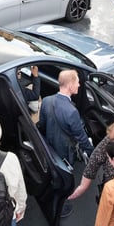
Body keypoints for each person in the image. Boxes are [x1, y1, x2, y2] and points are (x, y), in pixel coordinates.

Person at [38, 69, 93, 217]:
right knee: (64, 180)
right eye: (77, 82)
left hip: (49, 147)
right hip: (64, 152)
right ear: (70, 86)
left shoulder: (47, 101)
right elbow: (81, 136)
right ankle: (60, 206)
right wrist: (92, 153)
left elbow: (41, 125)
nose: (79, 85)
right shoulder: (71, 111)